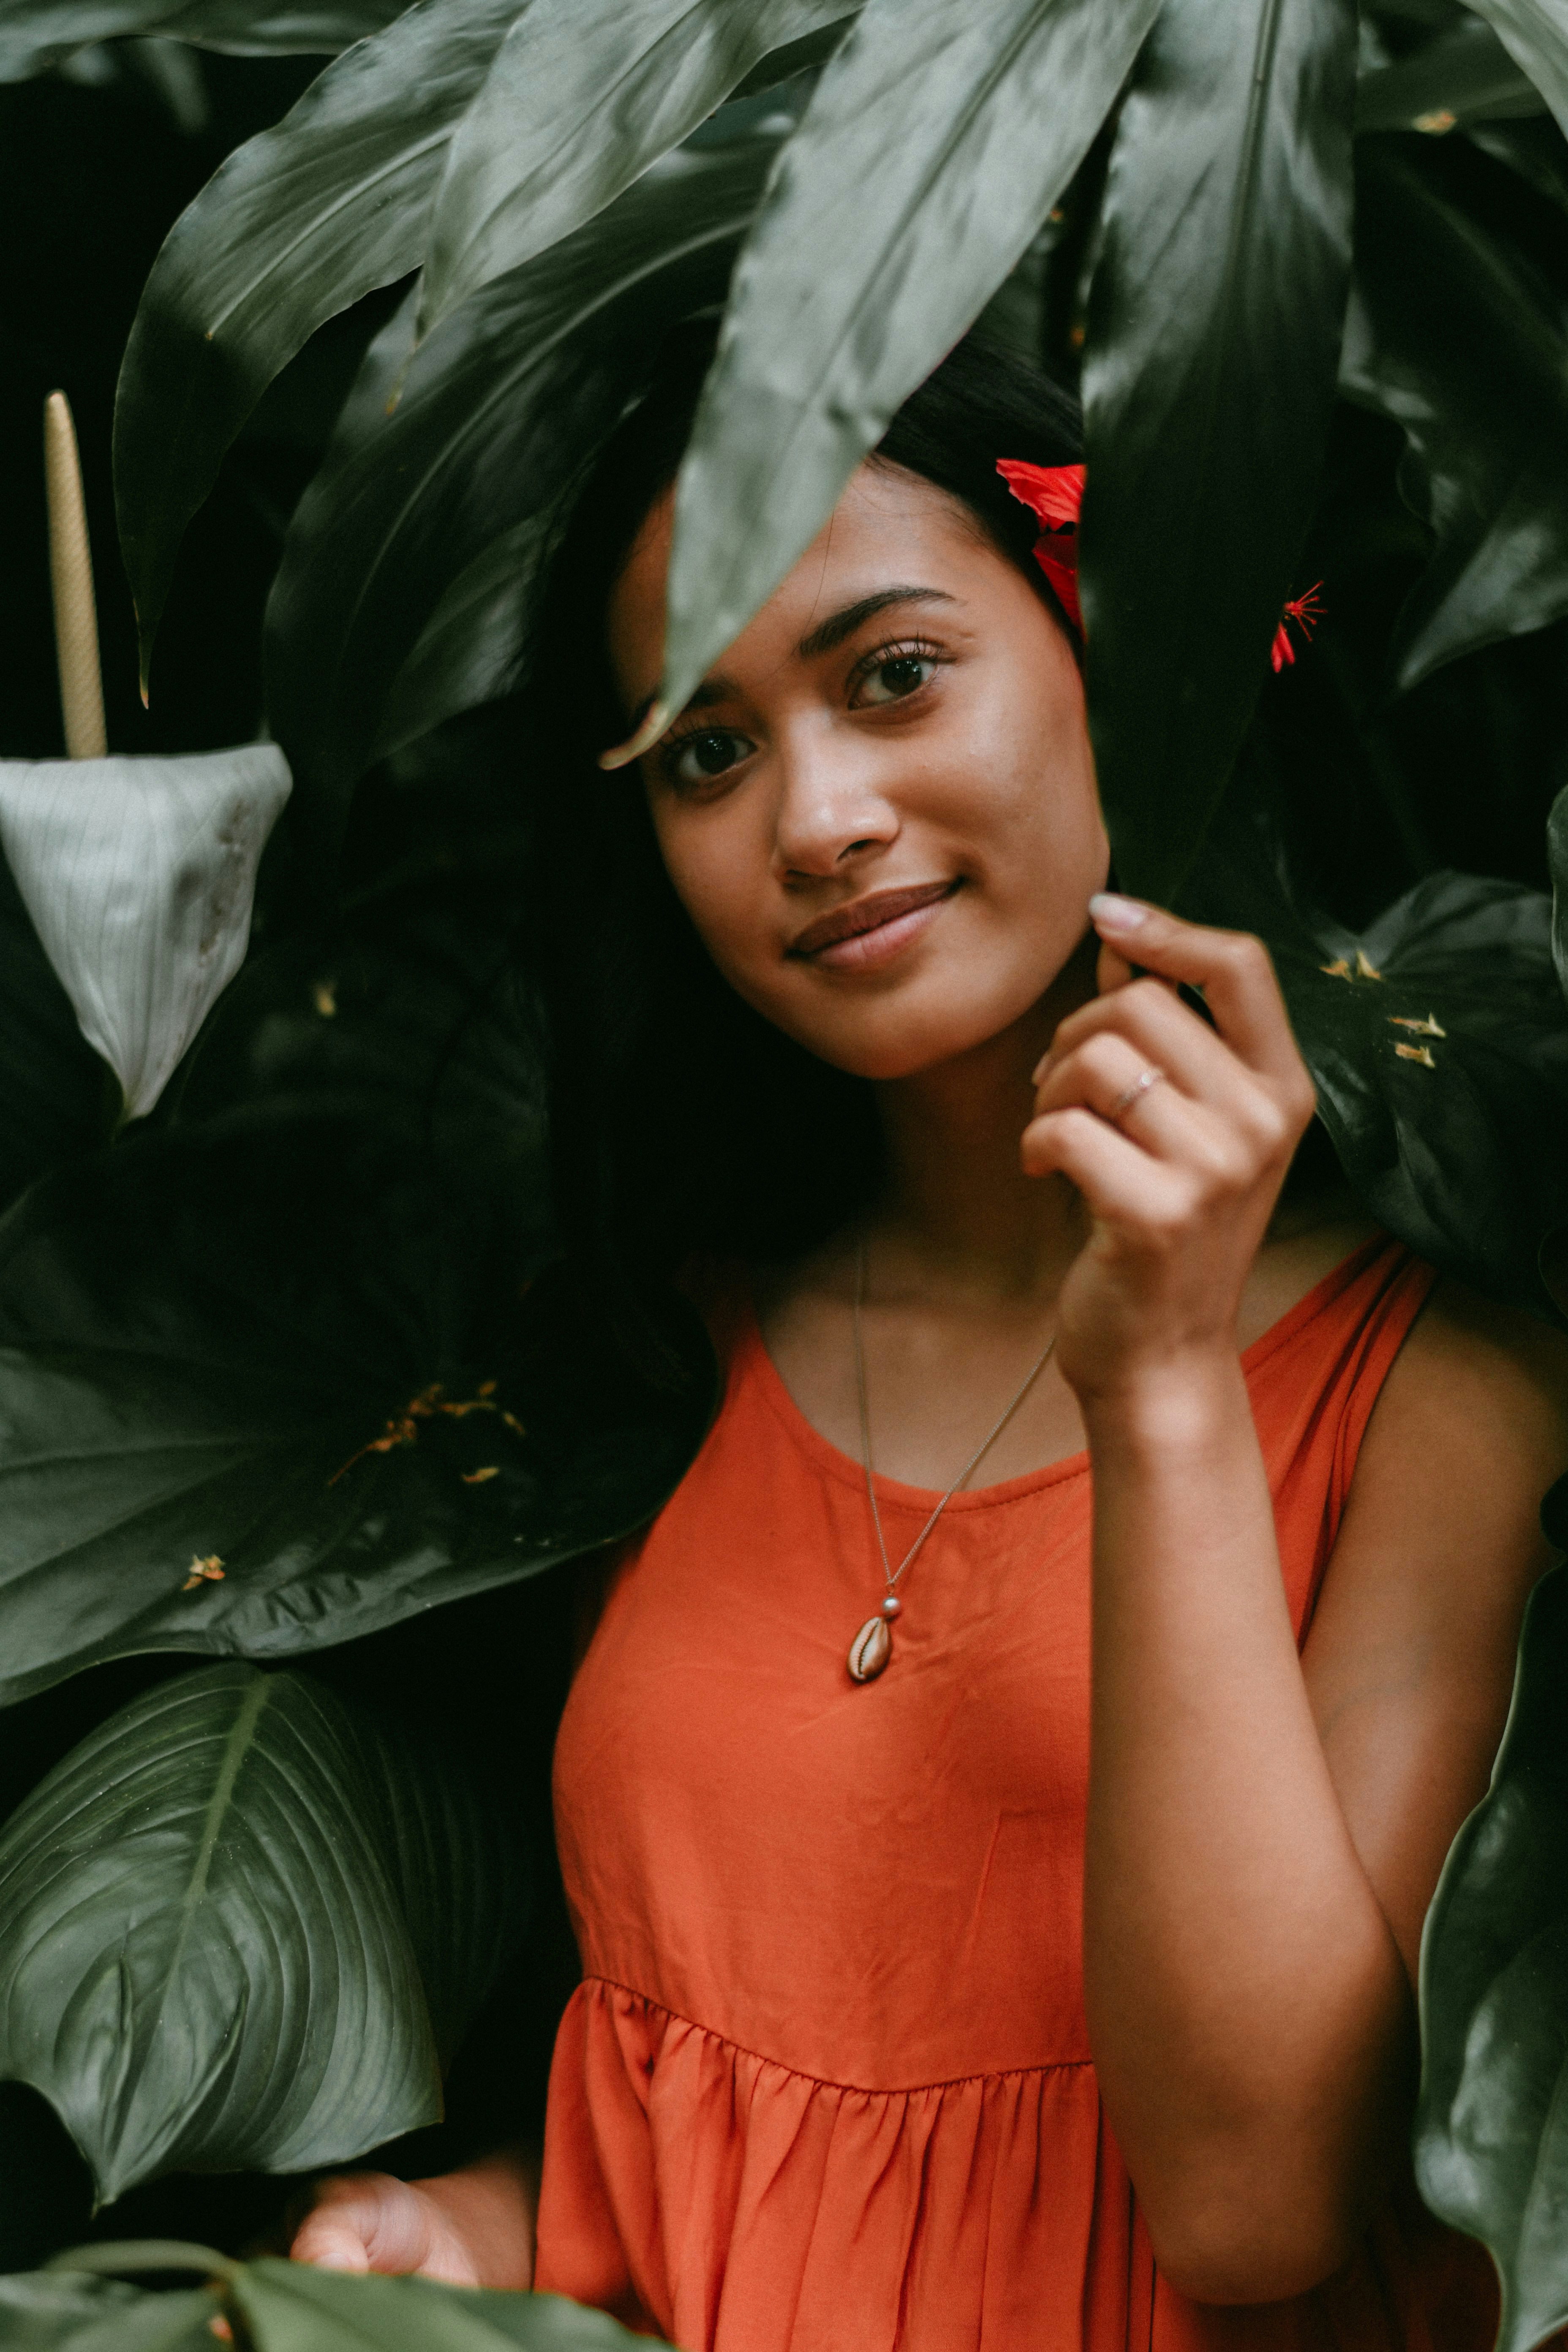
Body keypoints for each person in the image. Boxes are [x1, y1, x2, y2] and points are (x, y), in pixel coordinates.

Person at [289, 329, 1568, 2349]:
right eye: (702, 749)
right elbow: (745, 2117)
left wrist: (1157, 1379)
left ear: (1119, 657)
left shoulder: (1440, 1375)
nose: (814, 820)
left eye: (893, 677)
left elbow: (1248, 2210)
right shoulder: (666, 1341)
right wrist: (461, 2240)